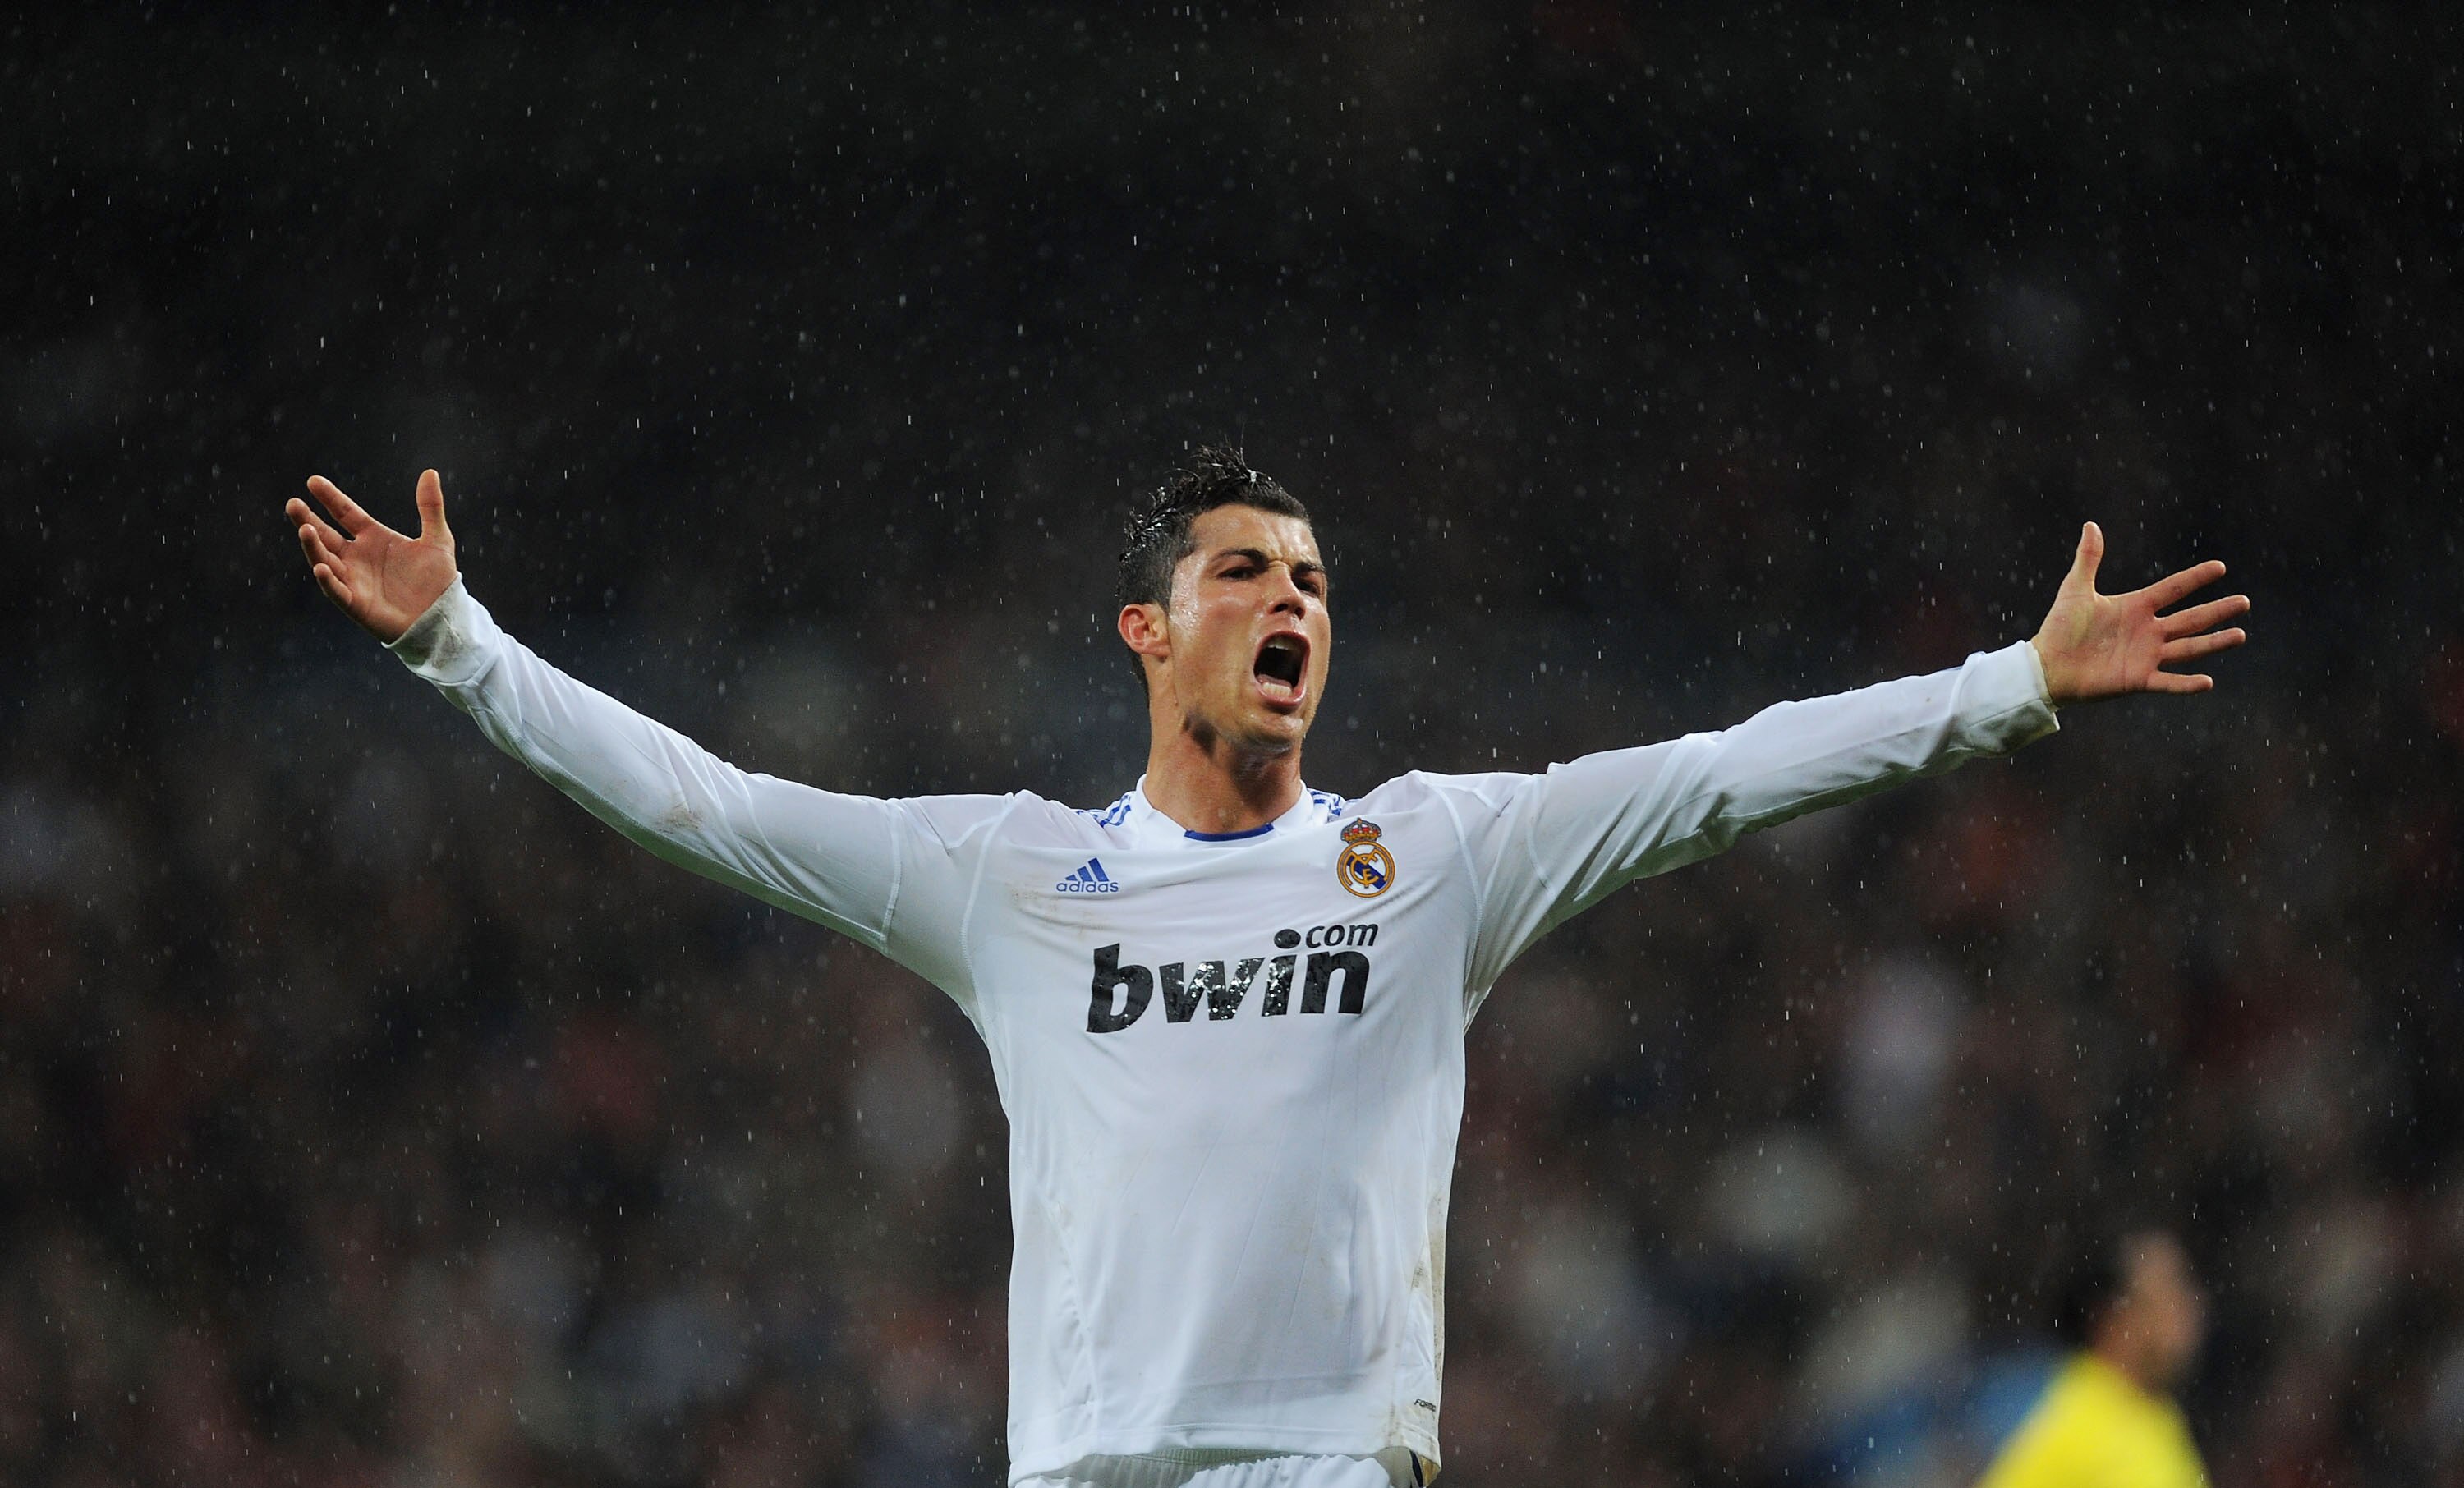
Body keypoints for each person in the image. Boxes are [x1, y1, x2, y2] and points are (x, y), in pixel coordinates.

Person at [283, 448, 2249, 1488]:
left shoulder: (1434, 854)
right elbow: (706, 804)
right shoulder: (1010, 874)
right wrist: (460, 642)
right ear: (1146, 627)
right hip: (1077, 1465)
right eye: (1246, 570)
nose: (1290, 597)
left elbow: (1726, 771)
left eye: (1310, 576)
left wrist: (2009, 686)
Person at [1978, 1230, 2212, 1488]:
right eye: (2170, 1288)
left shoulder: (2155, 1415)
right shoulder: (2073, 1422)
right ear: (2112, 1315)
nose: (2192, 1305)